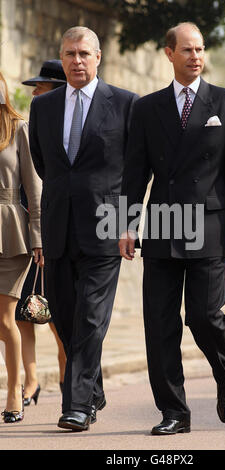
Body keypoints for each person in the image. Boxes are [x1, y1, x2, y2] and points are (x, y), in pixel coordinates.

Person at [119, 22, 225, 435]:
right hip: (161, 224)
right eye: (187, 50)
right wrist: (126, 224)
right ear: (169, 54)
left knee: (203, 315)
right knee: (159, 323)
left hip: (209, 226)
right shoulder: (145, 108)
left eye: (200, 49)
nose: (196, 56)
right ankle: (174, 413)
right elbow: (134, 173)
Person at [29, 26, 138, 431]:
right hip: (58, 226)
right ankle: (92, 388)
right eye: (70, 54)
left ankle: (76, 405)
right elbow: (43, 163)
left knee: (91, 317)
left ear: (98, 58)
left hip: (105, 227)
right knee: (65, 317)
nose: (77, 60)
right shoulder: (43, 108)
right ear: (63, 56)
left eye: (84, 54)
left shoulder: (126, 104)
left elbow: (136, 169)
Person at [16, 60, 67, 406]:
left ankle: (69, 385)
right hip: (28, 236)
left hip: (55, 234)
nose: (35, 93)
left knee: (59, 320)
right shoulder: (32, 125)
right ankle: (31, 380)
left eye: (42, 87)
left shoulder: (70, 128)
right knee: (25, 312)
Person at [0, 72, 43, 423]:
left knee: (5, 317)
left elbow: (34, 186)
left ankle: (15, 390)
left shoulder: (18, 128)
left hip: (11, 233)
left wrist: (39, 237)